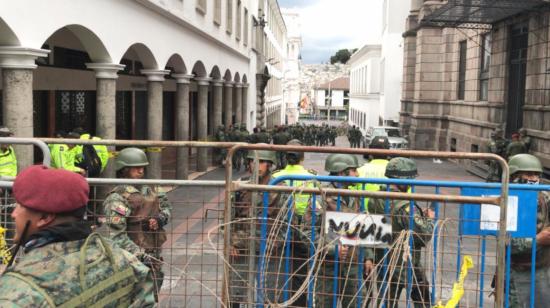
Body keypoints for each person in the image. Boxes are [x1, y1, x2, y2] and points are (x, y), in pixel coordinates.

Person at [0, 165, 155, 306]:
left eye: (20, 206)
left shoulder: (19, 292)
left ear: (44, 218)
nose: (13, 214)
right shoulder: (122, 258)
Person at [101, 147, 172, 301]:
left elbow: (167, 208)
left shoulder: (152, 188)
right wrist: (141, 255)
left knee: (153, 294)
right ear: (123, 169)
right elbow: (116, 236)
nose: (140, 171)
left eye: (142, 167)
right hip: (131, 259)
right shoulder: (118, 198)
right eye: (135, 168)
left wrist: (160, 218)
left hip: (154, 254)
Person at [305, 153, 374, 307]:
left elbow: (364, 226)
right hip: (327, 268)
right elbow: (307, 232)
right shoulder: (321, 195)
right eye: (354, 170)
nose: (357, 174)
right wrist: (330, 248)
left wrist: (368, 256)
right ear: (342, 172)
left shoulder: (356, 195)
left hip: (353, 266)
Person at [368, 157, 434, 308]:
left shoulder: (375, 199)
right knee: (422, 300)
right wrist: (429, 219)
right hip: (406, 263)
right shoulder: (405, 206)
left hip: (383, 259)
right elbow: (424, 235)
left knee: (388, 301)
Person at [230, 148, 286, 306]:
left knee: (268, 295)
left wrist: (276, 242)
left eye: (261, 162)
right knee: (235, 292)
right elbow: (228, 216)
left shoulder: (280, 188)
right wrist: (230, 242)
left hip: (269, 248)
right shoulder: (241, 186)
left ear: (269, 165)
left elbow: (287, 220)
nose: (257, 165)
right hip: (242, 247)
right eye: (253, 161)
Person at [272, 139, 317, 306]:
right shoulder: (311, 176)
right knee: (300, 270)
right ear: (302, 158)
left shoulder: (276, 176)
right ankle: (298, 302)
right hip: (303, 230)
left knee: (278, 269)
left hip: (280, 228)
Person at [508, 154, 550, 307]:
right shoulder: (505, 200)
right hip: (516, 270)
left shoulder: (544, 197)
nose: (533, 179)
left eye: (537, 174)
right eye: (528, 174)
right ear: (514, 176)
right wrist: (538, 240)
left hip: (543, 269)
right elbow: (507, 243)